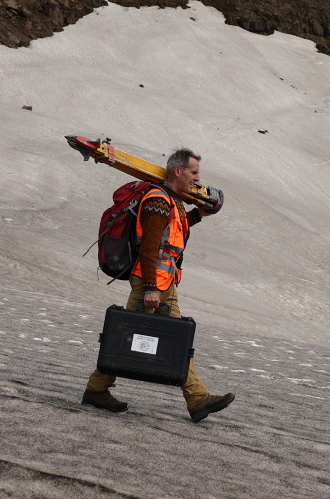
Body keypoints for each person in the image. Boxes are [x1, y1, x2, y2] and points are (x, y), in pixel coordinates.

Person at [82, 148, 235, 422]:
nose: (198, 180)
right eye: (194, 172)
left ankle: (197, 399)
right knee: (126, 336)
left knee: (174, 340)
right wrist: (151, 287)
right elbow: (150, 246)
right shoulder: (158, 200)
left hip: (165, 284)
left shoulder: (171, 201)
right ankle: (96, 389)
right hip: (150, 283)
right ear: (178, 171)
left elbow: (173, 231)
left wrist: (198, 214)